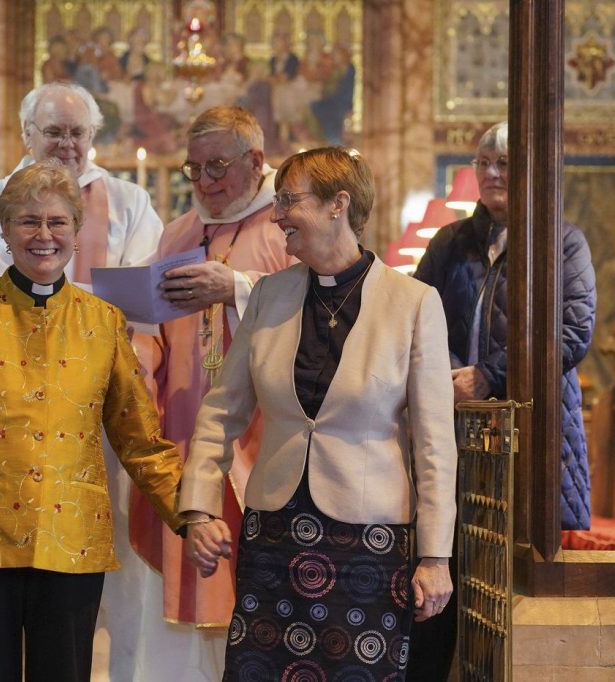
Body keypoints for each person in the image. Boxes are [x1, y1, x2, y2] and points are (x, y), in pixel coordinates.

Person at [0, 161, 186, 682]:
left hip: (71, 541)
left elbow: (139, 438)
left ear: (77, 232)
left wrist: (192, 513)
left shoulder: (103, 321)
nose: (44, 235)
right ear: (5, 231)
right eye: (29, 221)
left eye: (58, 222)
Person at [179, 147, 457, 680]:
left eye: (288, 200)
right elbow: (221, 412)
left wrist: (436, 556)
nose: (277, 214)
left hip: (368, 541)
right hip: (273, 534)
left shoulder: (414, 303)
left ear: (339, 205)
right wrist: (198, 509)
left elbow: (434, 444)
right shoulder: (268, 295)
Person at [410, 121, 596, 681]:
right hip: (453, 432)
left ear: (534, 169)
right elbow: (412, 322)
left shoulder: (562, 241)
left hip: (533, 434)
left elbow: (573, 332)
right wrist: (436, 374)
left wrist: (489, 377)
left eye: (506, 163)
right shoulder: (449, 243)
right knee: (443, 567)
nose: (491, 173)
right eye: (483, 161)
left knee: (510, 586)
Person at [119, 106, 294, 680]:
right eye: (193, 169)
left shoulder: (288, 227)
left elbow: (322, 313)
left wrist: (239, 289)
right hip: (186, 439)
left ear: (257, 161)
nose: (203, 183)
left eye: (217, 167)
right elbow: (153, 332)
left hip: (263, 447)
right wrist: (135, 353)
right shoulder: (179, 233)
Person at [0, 82, 163, 287]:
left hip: (109, 320)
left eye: (77, 133)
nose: (67, 144)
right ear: (27, 132)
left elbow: (142, 286)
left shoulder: (130, 201)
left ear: (91, 134)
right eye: (54, 132)